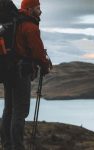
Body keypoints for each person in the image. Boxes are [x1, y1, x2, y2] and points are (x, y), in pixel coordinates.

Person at [0, 0, 52, 149]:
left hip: (8, 72)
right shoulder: (30, 27)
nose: (40, 11)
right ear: (29, 9)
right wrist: (44, 65)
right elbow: (38, 52)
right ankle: (17, 146)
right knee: (20, 111)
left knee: (9, 108)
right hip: (21, 73)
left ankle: (7, 144)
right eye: (38, 8)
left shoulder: (12, 23)